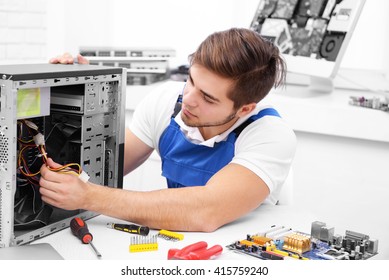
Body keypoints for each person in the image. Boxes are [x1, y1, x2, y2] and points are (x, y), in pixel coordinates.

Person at [40, 27, 296, 232]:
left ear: (244, 109)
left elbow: (206, 211)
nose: (189, 99)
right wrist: (76, 91)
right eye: (191, 81)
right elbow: (99, 172)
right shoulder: (164, 103)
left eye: (208, 98)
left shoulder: (271, 135)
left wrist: (89, 197)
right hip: (174, 240)